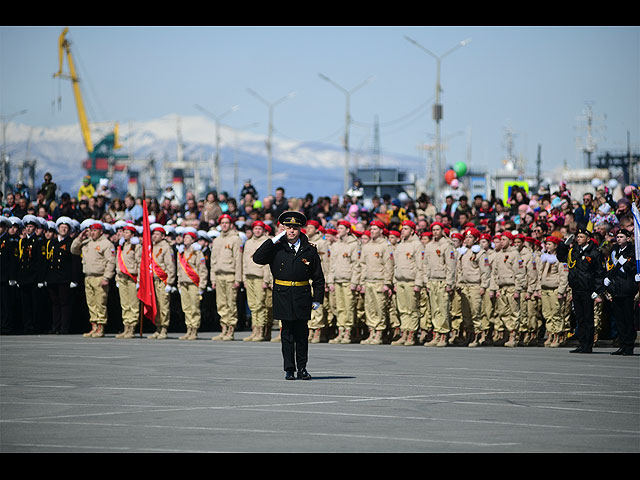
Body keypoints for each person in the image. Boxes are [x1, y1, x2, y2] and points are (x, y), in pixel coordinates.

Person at [253, 210, 324, 380]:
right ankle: (289, 369)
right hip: (283, 295)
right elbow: (257, 258)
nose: (291, 231)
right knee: (287, 335)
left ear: (300, 230)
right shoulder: (276, 247)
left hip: (302, 295)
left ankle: (302, 368)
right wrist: (273, 240)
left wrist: (317, 299)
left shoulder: (309, 250)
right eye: (288, 227)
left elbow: (318, 277)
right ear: (283, 229)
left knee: (301, 334)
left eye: (295, 228)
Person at [556, 227, 606, 353]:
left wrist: (598, 290)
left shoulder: (594, 253)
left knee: (588, 318)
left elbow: (600, 273)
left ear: (588, 239)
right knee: (580, 318)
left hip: (588, 289)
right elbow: (561, 258)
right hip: (576, 288)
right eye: (578, 237)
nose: (579, 239)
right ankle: (582, 343)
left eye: (581, 237)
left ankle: (588, 345)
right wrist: (563, 245)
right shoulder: (573, 251)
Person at [70, 220, 116, 338]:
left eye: (95, 230)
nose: (92, 233)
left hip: (100, 277)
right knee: (91, 303)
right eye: (91, 230)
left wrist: (107, 277)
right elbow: (73, 250)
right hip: (88, 277)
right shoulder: (87, 242)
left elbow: (111, 262)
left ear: (101, 232)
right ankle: (94, 326)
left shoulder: (106, 244)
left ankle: (101, 326)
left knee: (100, 302)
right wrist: (79, 238)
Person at [604, 228, 637, 355]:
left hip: (627, 287)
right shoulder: (614, 251)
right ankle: (622, 344)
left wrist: (627, 265)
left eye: (621, 237)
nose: (618, 239)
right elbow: (611, 267)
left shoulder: (633, 251)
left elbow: (633, 267)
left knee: (628, 318)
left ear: (628, 239)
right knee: (619, 319)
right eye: (618, 237)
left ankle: (629, 346)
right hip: (616, 288)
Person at [210, 214, 243, 341]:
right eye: (222, 222)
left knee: (231, 303)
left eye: (226, 222)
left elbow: (238, 259)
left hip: (230, 275)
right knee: (221, 304)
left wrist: (237, 279)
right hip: (219, 275)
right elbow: (213, 261)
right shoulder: (217, 240)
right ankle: (223, 328)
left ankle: (231, 329)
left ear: (230, 224)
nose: (224, 225)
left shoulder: (235, 239)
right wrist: (213, 278)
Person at [390, 220, 423, 346]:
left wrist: (418, 283)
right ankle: (404, 333)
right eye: (402, 228)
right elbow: (396, 265)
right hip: (400, 281)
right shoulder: (400, 245)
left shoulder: (417, 245)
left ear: (412, 231)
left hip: (411, 281)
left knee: (412, 309)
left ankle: (411, 334)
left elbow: (420, 266)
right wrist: (395, 282)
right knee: (402, 309)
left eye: (406, 229)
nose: (403, 230)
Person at [241, 220, 272, 342]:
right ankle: (254, 330)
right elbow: (244, 261)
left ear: (263, 230)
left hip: (260, 277)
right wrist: (243, 277)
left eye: (260, 229)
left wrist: (266, 279)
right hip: (249, 276)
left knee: (260, 305)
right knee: (252, 305)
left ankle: (260, 331)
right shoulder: (248, 243)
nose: (257, 231)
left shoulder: (266, 242)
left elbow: (268, 263)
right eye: (255, 229)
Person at [176, 227, 208, 340]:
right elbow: (179, 270)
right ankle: (188, 328)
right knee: (186, 308)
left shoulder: (197, 252)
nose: (185, 239)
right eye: (185, 237)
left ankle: (194, 329)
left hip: (194, 283)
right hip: (184, 283)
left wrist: (202, 286)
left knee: (194, 307)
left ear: (193, 240)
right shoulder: (181, 252)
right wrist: (179, 284)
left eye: (188, 237)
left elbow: (202, 270)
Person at [147, 223, 177, 339]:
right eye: (153, 233)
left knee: (164, 305)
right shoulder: (151, 247)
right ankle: (157, 327)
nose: (154, 236)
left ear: (163, 236)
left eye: (157, 234)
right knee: (156, 306)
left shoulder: (166, 247)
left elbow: (170, 266)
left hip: (162, 280)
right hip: (152, 280)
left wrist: (170, 282)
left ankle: (164, 328)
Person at [114, 222, 141, 339]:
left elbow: (140, 264)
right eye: (123, 232)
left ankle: (132, 327)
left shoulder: (136, 246)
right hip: (122, 277)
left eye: (127, 232)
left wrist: (139, 280)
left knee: (133, 303)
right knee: (124, 303)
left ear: (132, 234)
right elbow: (117, 262)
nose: (124, 234)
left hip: (132, 277)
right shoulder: (121, 246)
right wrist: (116, 277)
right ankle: (126, 326)